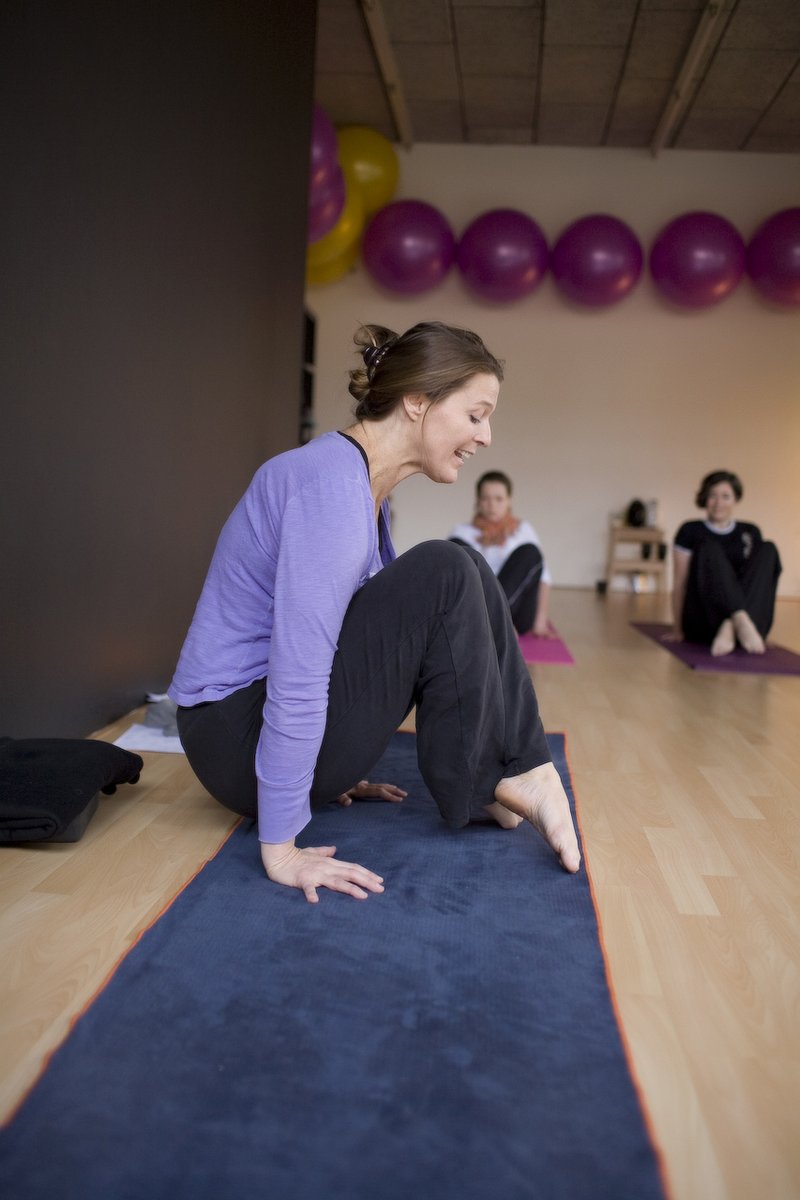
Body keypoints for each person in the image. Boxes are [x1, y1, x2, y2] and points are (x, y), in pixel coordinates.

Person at [169, 321, 580, 904]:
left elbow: (357, 639)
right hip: (236, 741)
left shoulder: (366, 491)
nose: (485, 436)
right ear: (417, 402)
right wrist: (281, 845)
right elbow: (300, 670)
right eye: (475, 414)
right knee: (445, 566)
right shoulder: (329, 486)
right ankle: (501, 776)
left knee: (463, 564)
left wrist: (338, 760)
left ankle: (513, 769)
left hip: (253, 731)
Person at [670, 470, 781, 656]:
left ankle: (733, 623)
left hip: (747, 623)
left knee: (769, 548)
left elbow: (760, 584)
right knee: (708, 548)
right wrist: (677, 629)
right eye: (713, 496)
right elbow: (679, 582)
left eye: (726, 497)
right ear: (705, 498)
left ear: (735, 499)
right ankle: (738, 618)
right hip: (704, 617)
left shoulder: (750, 532)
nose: (719, 503)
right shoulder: (690, 530)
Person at [449, 470, 553, 637]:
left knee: (530, 552)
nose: (492, 505)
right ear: (478, 501)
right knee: (456, 547)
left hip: (514, 614)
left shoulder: (523, 530)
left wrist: (540, 621)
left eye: (499, 499)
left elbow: (543, 577)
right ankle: (493, 623)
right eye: (485, 498)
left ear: (509, 501)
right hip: (474, 607)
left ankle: (491, 621)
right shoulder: (462, 532)